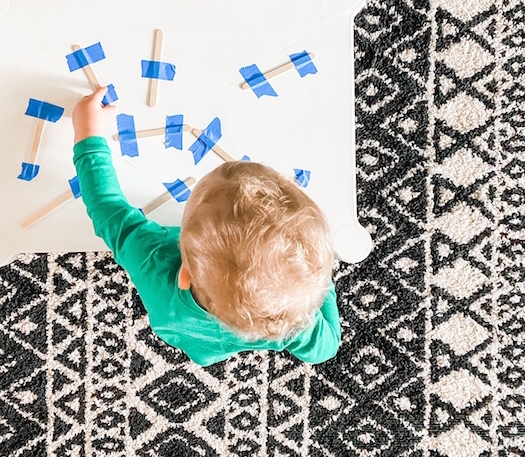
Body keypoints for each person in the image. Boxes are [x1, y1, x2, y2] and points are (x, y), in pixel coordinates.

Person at [71, 87, 341, 366]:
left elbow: (107, 207)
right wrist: (322, 284)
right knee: (209, 350)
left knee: (197, 343)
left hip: (174, 324)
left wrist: (88, 135)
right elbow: (327, 348)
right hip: (215, 347)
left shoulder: (153, 258)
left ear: (185, 275)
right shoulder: (294, 324)